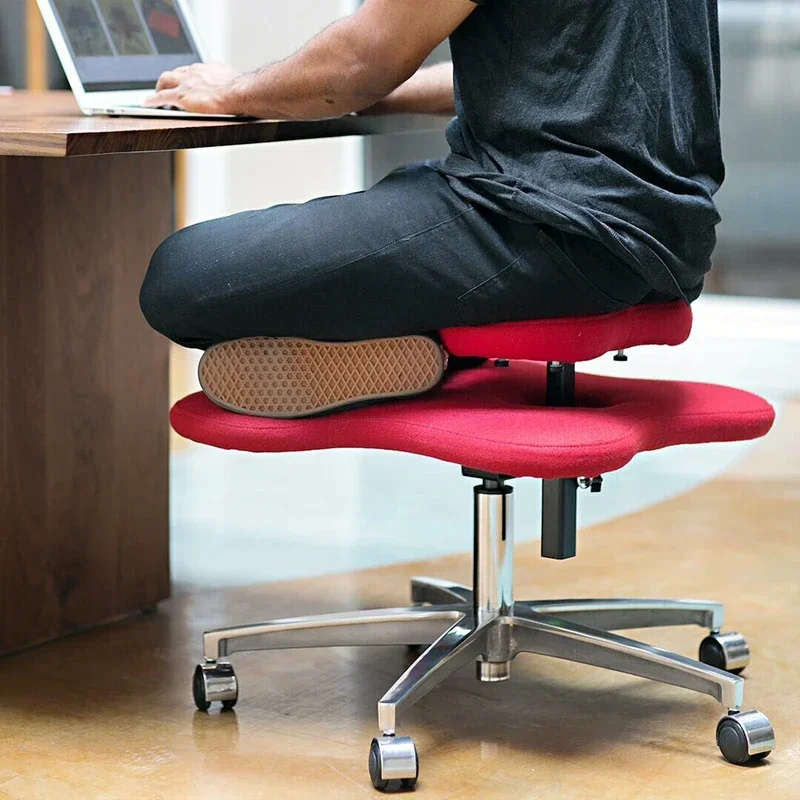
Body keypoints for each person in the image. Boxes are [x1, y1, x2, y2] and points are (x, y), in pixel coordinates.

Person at [140, 0, 724, 418]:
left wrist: (229, 90)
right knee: (401, 195)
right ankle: (418, 343)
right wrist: (376, 91)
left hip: (540, 222)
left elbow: (361, 60)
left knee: (183, 277)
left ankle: (430, 353)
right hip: (662, 239)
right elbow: (553, 67)